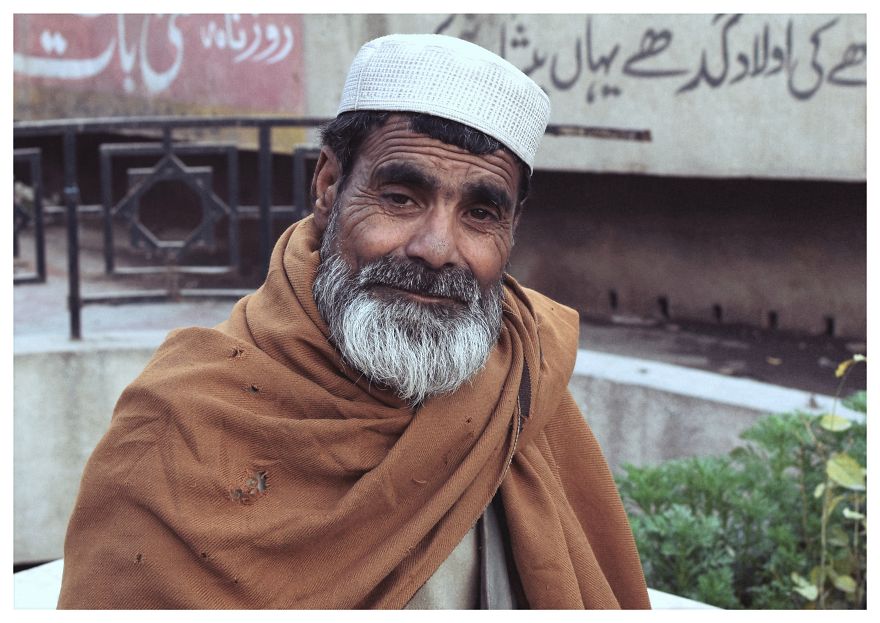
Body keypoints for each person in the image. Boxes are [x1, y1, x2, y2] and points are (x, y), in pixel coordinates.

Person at [57, 33, 650, 609]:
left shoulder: (521, 383)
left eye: (480, 213)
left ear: (512, 226)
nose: (437, 248)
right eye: (400, 198)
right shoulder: (177, 426)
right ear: (329, 185)